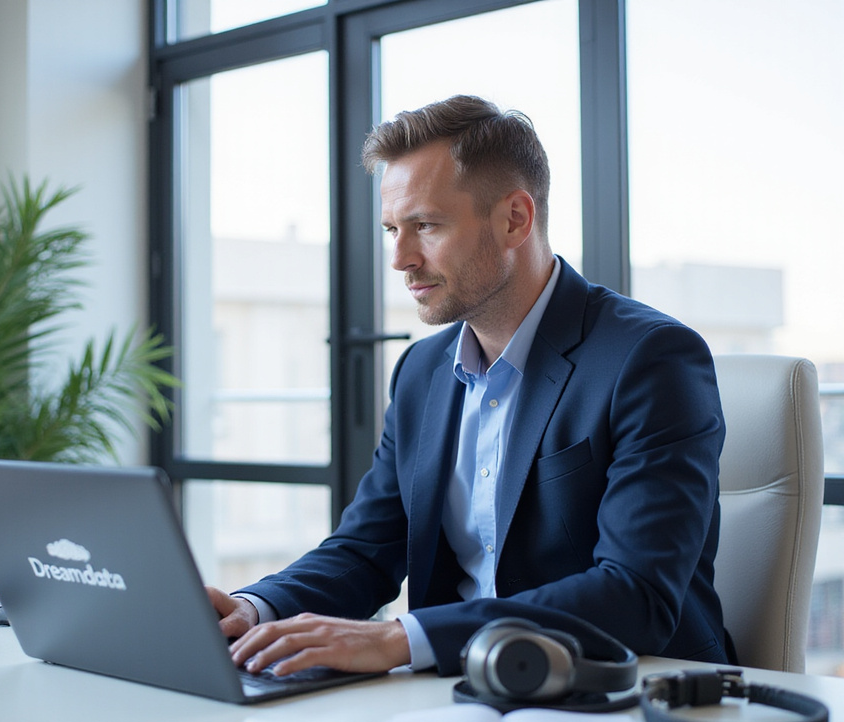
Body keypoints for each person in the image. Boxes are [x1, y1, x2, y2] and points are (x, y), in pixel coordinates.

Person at [207, 94, 731, 678]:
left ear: (515, 219)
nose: (401, 258)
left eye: (426, 226)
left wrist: (402, 638)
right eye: (391, 230)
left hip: (635, 694)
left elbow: (635, 595)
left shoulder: (650, 358)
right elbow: (364, 551)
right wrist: (253, 610)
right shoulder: (420, 373)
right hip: (463, 694)